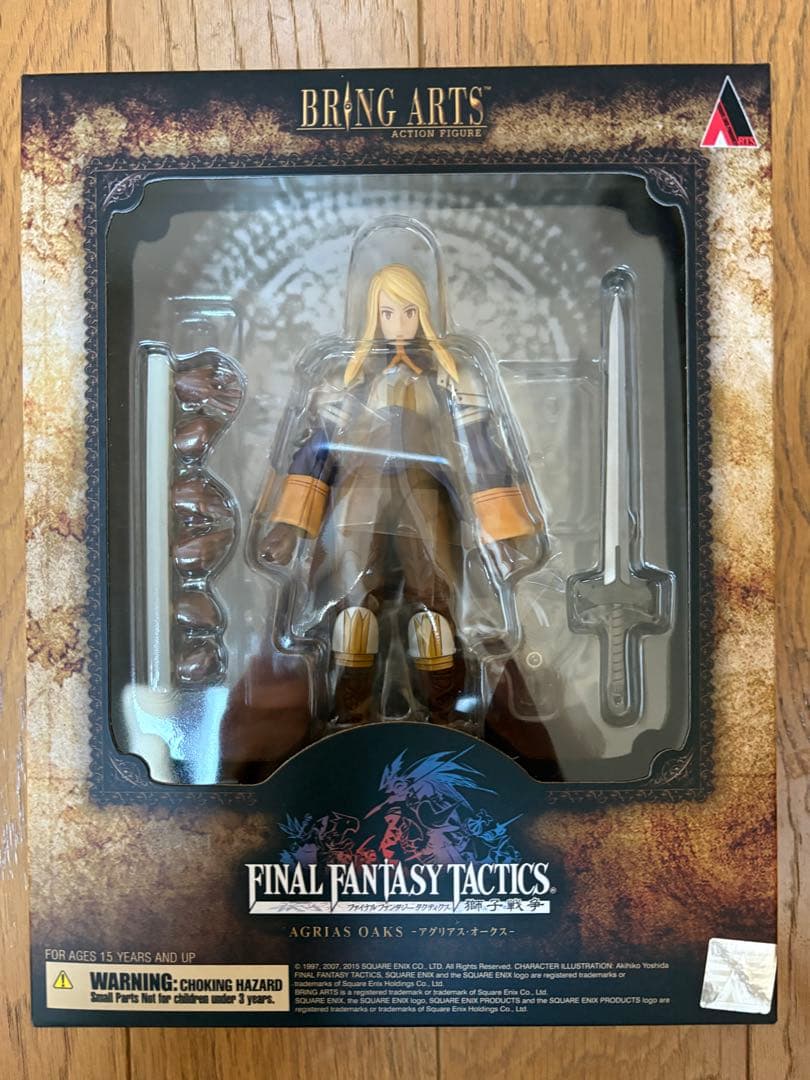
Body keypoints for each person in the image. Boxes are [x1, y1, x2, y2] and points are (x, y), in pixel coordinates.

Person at [254, 263, 548, 727]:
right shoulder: (346, 378)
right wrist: (291, 526)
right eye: (388, 312)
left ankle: (447, 716)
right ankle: (349, 715)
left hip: (426, 496)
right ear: (373, 314)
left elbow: (481, 453)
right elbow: (316, 452)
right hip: (360, 496)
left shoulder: (450, 377)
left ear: (423, 313)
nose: (399, 323)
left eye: (409, 312)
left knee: (434, 614)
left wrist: (501, 532)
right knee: (353, 616)